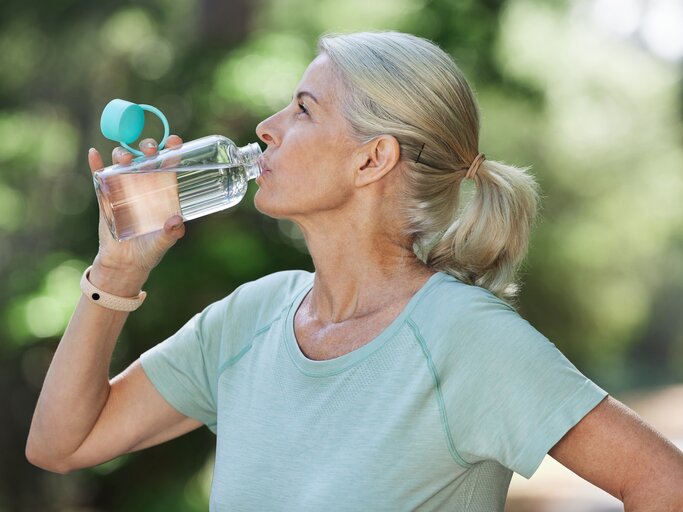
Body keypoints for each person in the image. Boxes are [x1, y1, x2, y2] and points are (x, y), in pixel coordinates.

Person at [27, 31, 683, 511]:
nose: (266, 126)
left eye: (304, 109)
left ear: (372, 160)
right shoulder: (251, 317)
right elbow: (61, 445)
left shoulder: (463, 338)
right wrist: (114, 272)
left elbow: (663, 483)